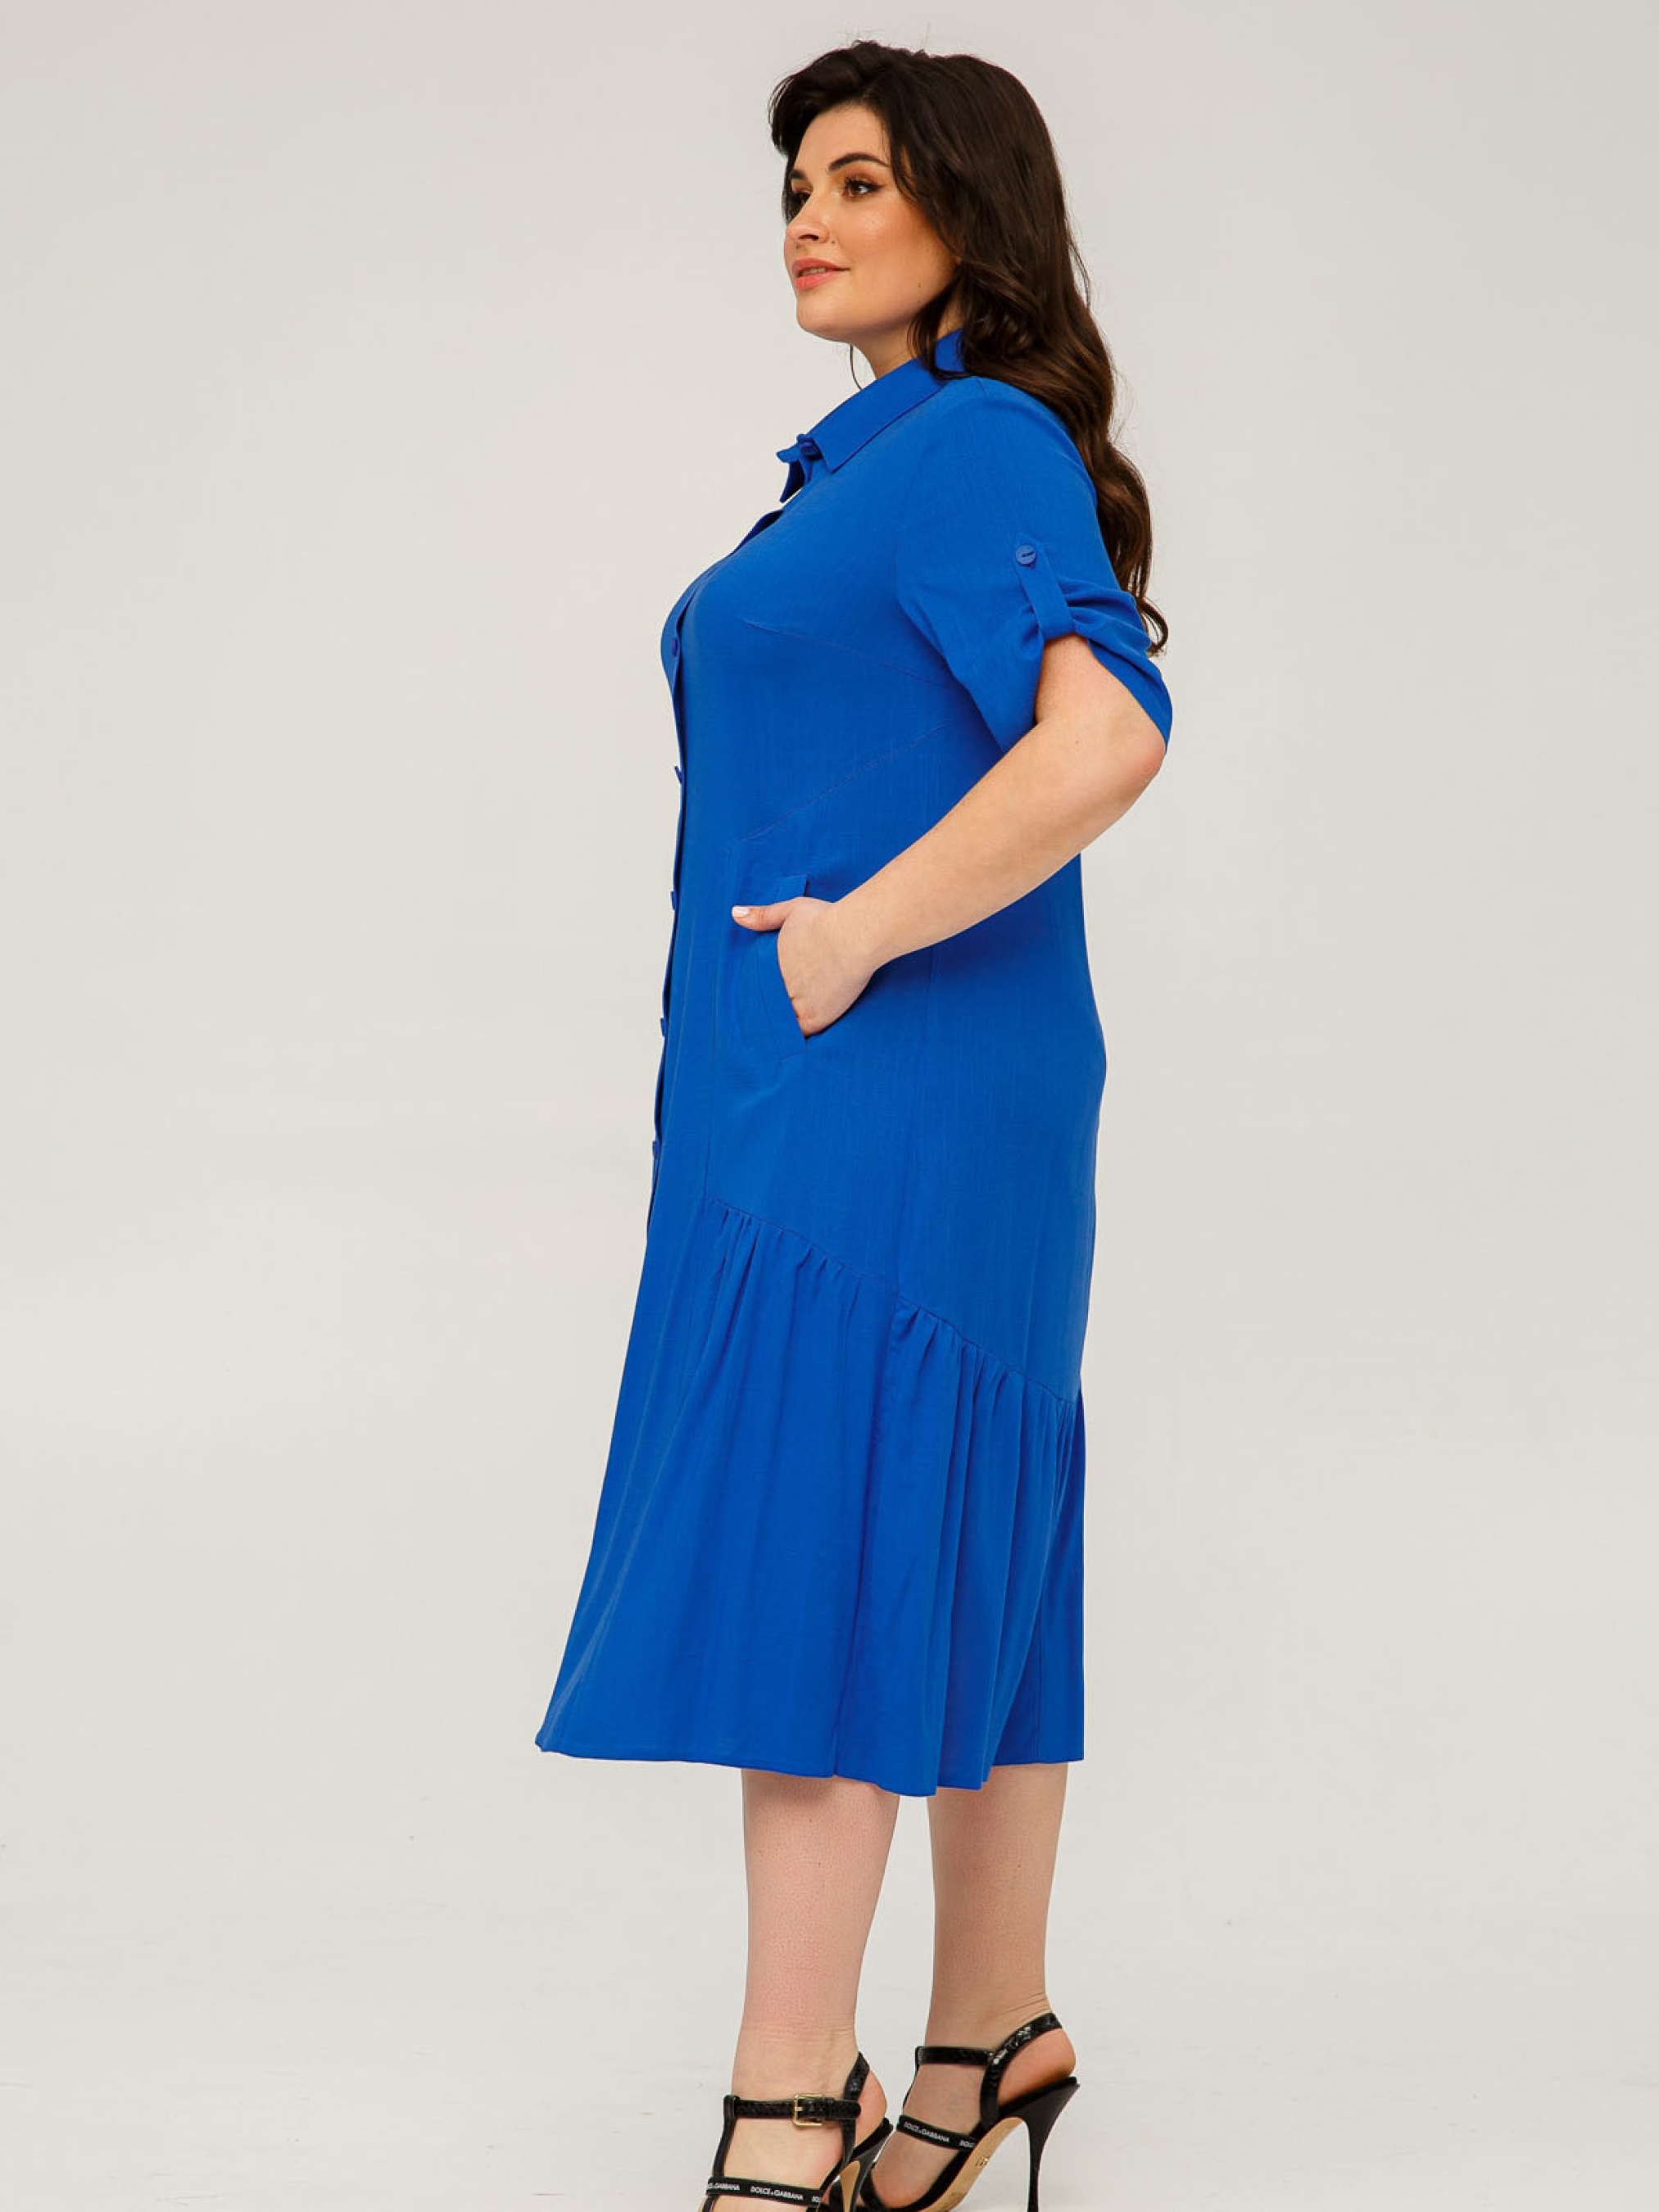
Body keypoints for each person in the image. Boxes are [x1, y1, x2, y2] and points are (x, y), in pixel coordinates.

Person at [533, 39, 1172, 2212]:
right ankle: (988, 2033)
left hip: (888, 1079)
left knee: (831, 1539)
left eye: (857, 179)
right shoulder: (874, 463)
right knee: (950, 1516)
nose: (806, 217)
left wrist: (850, 941)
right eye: (794, 185)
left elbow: (1105, 736)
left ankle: (786, 2106)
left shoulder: (976, 440)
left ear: (967, 213)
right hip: (837, 1086)